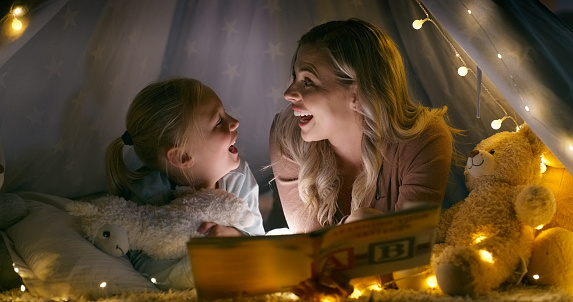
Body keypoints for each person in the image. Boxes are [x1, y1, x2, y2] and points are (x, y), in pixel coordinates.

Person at [269, 18, 461, 298]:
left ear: (357, 93)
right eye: (294, 78)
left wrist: (360, 229)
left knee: (364, 219)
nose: (289, 94)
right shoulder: (288, 135)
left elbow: (407, 258)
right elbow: (312, 254)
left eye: (308, 81)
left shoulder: (424, 137)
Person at [105, 77, 265, 290]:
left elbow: (258, 238)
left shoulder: (239, 177)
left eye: (225, 113)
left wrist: (236, 237)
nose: (234, 121)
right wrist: (201, 261)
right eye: (218, 121)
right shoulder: (150, 194)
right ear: (182, 157)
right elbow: (147, 265)